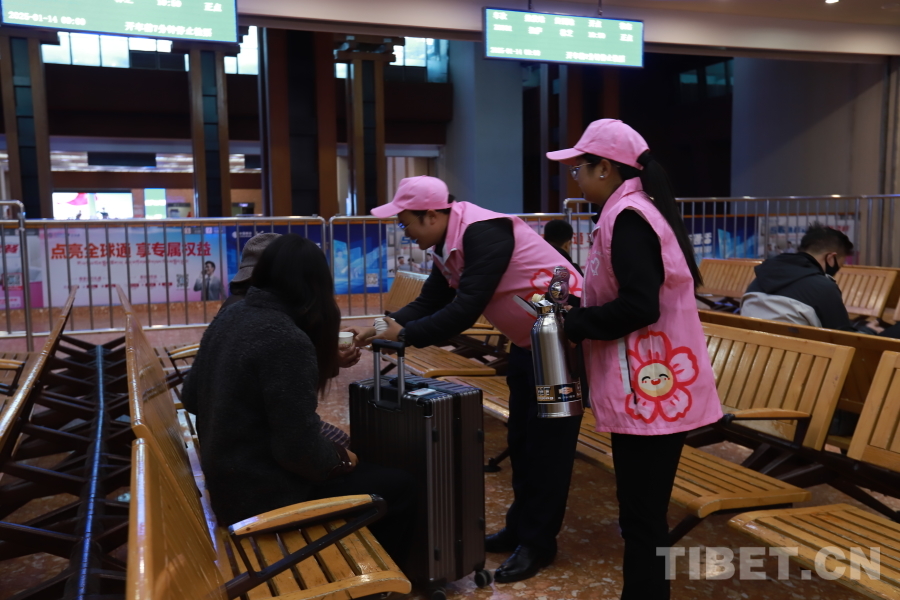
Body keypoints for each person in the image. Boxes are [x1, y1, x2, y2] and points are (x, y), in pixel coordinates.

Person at [358, 175, 584, 583]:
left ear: (431, 215)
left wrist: (404, 336)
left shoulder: (484, 233)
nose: (405, 233)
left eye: (405, 223)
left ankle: (538, 542)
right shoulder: (449, 245)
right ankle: (520, 528)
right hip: (529, 344)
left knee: (548, 447)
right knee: (522, 440)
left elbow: (465, 309)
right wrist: (379, 327)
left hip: (560, 344)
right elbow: (431, 300)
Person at [547, 119, 723, 600]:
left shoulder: (629, 217)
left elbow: (640, 306)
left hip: (652, 388)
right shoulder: (630, 211)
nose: (575, 178)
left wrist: (576, 323)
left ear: (605, 168)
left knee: (642, 517)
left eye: (579, 168)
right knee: (641, 515)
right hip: (651, 386)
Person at [181, 234, 415, 564]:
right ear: (315, 284)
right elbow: (297, 450)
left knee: (364, 465)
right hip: (263, 494)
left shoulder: (231, 314)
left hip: (227, 482)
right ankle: (382, 581)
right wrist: (341, 460)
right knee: (400, 487)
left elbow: (191, 396)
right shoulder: (287, 337)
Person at [218, 232, 357, 447]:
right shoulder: (275, 323)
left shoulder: (236, 307)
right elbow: (293, 431)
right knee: (351, 449)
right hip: (253, 446)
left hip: (228, 439)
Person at [742, 224, 900, 338]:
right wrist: (868, 331)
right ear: (830, 258)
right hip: (803, 363)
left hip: (754, 354)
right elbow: (842, 338)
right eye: (841, 264)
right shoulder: (822, 286)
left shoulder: (761, 277)